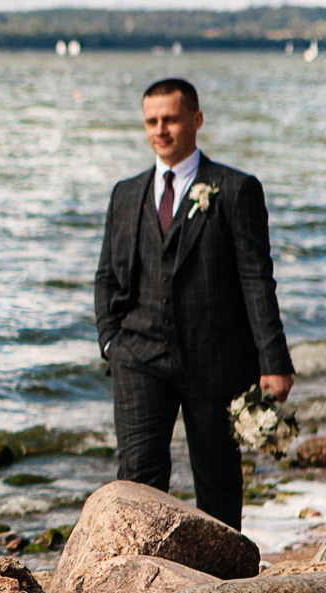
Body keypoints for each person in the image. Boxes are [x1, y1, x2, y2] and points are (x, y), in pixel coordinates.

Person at [93, 79, 293, 529]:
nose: (160, 129)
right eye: (151, 121)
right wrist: (111, 342)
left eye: (171, 119)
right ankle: (138, 580)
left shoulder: (235, 189)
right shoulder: (126, 194)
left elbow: (257, 280)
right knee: (138, 480)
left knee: (218, 482)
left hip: (216, 361)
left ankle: (224, 587)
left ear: (196, 121)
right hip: (138, 358)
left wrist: (274, 360)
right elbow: (107, 275)